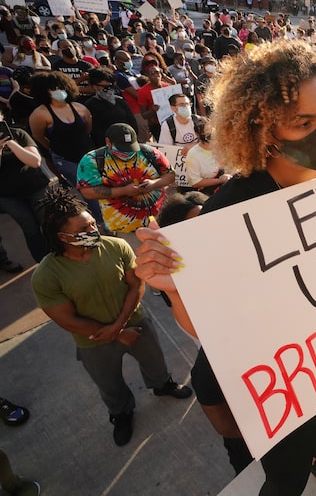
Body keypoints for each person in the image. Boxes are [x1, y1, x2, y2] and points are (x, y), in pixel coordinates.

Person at [133, 39, 316, 496]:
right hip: (281, 377)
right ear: (262, 128)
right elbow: (207, 329)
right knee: (284, 472)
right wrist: (176, 289)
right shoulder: (230, 209)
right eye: (305, 122)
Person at [31, 185, 192, 447]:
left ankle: (163, 385)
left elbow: (136, 285)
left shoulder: (116, 246)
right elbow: (66, 319)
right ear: (61, 236)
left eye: (92, 224)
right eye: (82, 231)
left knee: (155, 361)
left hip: (136, 324)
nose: (92, 232)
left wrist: (120, 326)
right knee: (109, 384)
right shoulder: (46, 276)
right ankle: (121, 414)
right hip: (93, 341)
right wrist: (117, 334)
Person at [77, 124, 175, 235]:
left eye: (131, 148)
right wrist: (124, 191)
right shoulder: (92, 160)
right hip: (123, 229)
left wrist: (153, 184)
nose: (127, 153)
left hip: (161, 222)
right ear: (108, 142)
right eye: (122, 148)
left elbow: (170, 175)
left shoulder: (150, 152)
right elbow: (87, 192)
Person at [0, 111, 50, 262]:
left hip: (37, 188)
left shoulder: (19, 134)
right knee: (30, 229)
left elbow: (34, 161)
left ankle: (61, 255)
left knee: (49, 222)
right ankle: (43, 262)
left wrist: (10, 142)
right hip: (9, 196)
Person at [185, 119, 233, 195]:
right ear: (197, 134)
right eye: (207, 133)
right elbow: (195, 182)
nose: (211, 135)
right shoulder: (193, 155)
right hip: (210, 195)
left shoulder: (225, 145)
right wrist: (220, 180)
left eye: (213, 132)